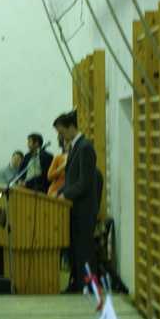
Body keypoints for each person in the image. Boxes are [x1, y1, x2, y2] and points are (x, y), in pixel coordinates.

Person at [53, 111, 98, 292]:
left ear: (71, 127)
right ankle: (79, 283)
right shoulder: (75, 146)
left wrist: (66, 195)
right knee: (76, 251)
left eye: (61, 132)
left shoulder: (85, 147)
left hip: (84, 210)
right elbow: (72, 181)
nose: (59, 136)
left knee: (85, 252)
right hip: (75, 209)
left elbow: (85, 181)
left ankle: (89, 287)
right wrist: (57, 193)